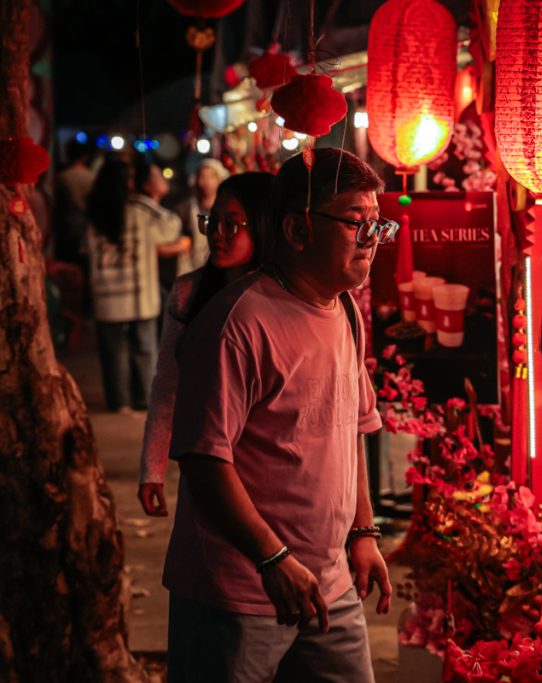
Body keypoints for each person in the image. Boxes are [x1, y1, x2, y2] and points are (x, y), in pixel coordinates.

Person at [164, 148, 398, 681]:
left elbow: (353, 430)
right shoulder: (237, 325)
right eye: (356, 224)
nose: (372, 241)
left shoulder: (343, 310)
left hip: (330, 582)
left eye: (377, 225)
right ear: (296, 230)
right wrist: (271, 559)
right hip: (238, 590)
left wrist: (363, 531)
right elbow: (203, 459)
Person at [137, 172, 273, 517]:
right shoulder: (188, 293)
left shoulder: (286, 299)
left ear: (263, 225)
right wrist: (153, 468)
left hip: (272, 464)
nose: (216, 234)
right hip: (207, 462)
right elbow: (168, 384)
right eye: (212, 221)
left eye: (231, 224)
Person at [84, 158, 189, 413]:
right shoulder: (140, 210)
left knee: (113, 351)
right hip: (138, 292)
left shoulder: (95, 213)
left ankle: (119, 401)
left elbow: (86, 249)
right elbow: (172, 225)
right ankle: (145, 398)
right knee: (145, 347)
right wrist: (146, 199)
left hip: (106, 293)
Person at [174, 158, 230, 274]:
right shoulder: (185, 208)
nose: (205, 182)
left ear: (219, 179)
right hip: (191, 267)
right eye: (202, 176)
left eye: (210, 177)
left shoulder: (227, 207)